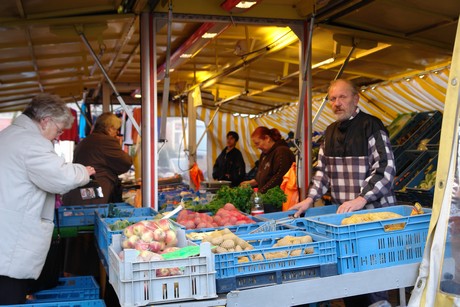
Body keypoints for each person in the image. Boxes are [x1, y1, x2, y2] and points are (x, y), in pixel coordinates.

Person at [291, 79, 397, 307]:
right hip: (346, 221)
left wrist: (361, 199)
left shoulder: (372, 126)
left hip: (373, 219)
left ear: (356, 99)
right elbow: (323, 173)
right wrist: (309, 199)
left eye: (342, 97)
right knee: (349, 277)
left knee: (373, 280)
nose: (337, 103)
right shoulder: (329, 133)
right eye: (332, 98)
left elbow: (385, 168)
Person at [0, 94, 95, 305]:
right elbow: (60, 177)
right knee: (9, 295)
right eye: (58, 130)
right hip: (10, 241)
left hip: (6, 234)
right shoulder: (31, 143)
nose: (58, 136)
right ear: (45, 121)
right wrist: (84, 171)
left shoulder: (12, 135)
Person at [62, 112, 133, 205]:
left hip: (77, 192)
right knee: (92, 215)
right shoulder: (106, 141)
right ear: (110, 128)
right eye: (116, 130)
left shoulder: (87, 140)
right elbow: (125, 162)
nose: (117, 133)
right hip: (92, 193)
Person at [240, 126, 295, 207]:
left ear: (267, 138)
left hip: (279, 201)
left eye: (257, 143)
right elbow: (261, 175)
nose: (257, 147)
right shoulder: (264, 154)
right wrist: (250, 183)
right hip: (265, 199)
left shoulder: (282, 151)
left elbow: (279, 177)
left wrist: (260, 193)